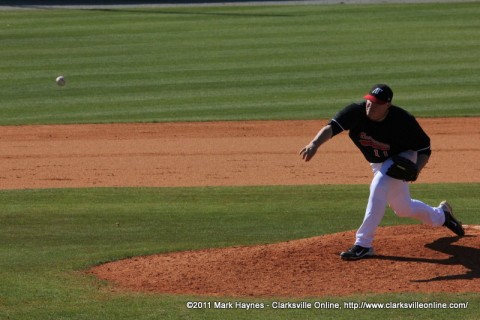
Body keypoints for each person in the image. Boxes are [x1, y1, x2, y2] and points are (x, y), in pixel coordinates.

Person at [299, 84, 465, 260]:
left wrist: (417, 169)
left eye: (377, 103)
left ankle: (363, 244)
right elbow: (331, 127)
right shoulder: (356, 112)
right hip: (377, 162)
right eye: (370, 101)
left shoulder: (403, 120)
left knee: (378, 186)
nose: (371, 106)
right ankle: (442, 215)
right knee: (403, 208)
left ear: (388, 105)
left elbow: (425, 147)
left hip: (403, 158)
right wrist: (314, 144)